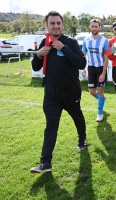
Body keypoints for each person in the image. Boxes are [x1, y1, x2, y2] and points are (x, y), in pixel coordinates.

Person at [30, 11, 87, 173]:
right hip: (51, 95)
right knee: (51, 127)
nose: (56, 26)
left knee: (77, 117)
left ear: (62, 25)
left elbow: (82, 63)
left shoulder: (71, 42)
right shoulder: (44, 42)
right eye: (52, 23)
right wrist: (38, 55)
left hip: (71, 93)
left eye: (58, 23)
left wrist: (64, 49)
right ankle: (45, 162)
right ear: (47, 25)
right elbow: (35, 67)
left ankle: (82, 138)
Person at [81, 19, 110, 122]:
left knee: (100, 90)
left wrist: (103, 73)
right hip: (91, 68)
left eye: (96, 26)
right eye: (92, 26)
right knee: (92, 92)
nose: (94, 28)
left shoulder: (104, 41)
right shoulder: (86, 40)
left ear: (99, 28)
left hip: (101, 68)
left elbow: (106, 58)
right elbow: (83, 55)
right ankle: (102, 100)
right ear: (90, 27)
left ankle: (99, 113)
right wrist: (83, 69)